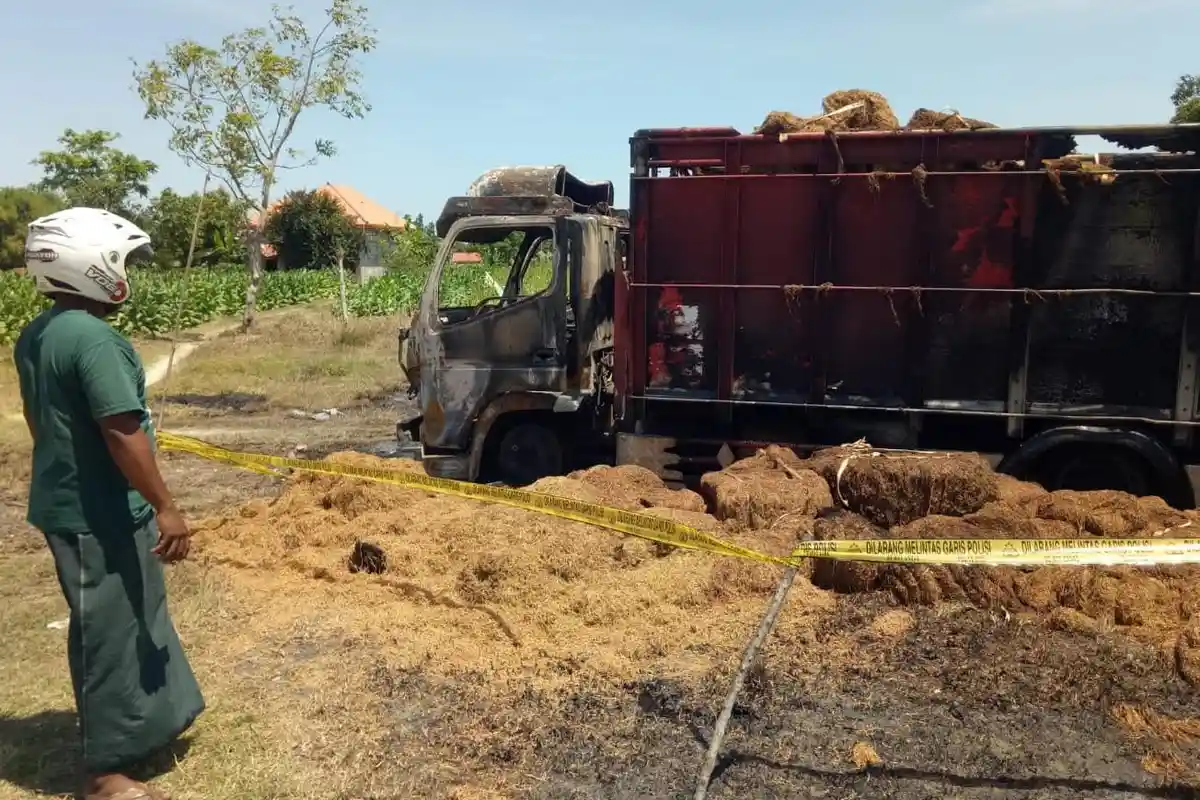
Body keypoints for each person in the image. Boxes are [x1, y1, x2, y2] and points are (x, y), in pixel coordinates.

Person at [13, 208, 205, 800]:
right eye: (120, 262)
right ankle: (104, 775)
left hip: (74, 505)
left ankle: (151, 724)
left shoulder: (38, 332)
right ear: (91, 267)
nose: (125, 276)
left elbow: (38, 420)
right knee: (108, 634)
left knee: (134, 619)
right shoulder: (96, 340)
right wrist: (166, 506)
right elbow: (123, 432)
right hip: (97, 515)